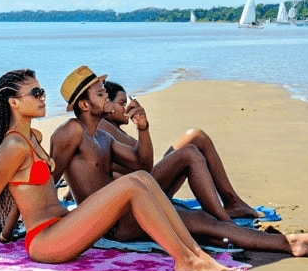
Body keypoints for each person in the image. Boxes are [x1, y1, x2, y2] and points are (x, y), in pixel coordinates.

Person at [0, 69, 239, 271]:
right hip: (46, 241)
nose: (42, 96)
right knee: (133, 185)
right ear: (14, 103)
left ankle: (195, 255)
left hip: (63, 224)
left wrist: (7, 233)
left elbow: (24, 197)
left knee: (144, 179)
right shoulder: (11, 148)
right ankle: (185, 260)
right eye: (35, 93)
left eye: (42, 91)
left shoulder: (32, 139)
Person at [50, 67, 308, 257]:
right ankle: (290, 243)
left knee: (201, 222)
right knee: (204, 223)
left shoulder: (103, 138)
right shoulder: (71, 132)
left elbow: (142, 163)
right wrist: (50, 225)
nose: (113, 102)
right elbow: (52, 178)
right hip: (113, 225)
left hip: (129, 210)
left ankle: (286, 242)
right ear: (85, 105)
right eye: (102, 95)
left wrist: (143, 127)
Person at [100, 79, 262, 222]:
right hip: (141, 192)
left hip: (147, 183)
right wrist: (143, 127)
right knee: (189, 152)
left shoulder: (114, 128)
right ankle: (224, 216)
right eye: (122, 103)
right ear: (107, 105)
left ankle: (233, 202)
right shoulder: (103, 126)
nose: (127, 107)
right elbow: (142, 166)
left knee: (196, 136)